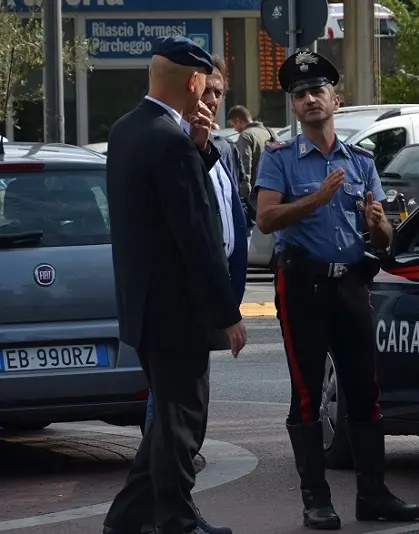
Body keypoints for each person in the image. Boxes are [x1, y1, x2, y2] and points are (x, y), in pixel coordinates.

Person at [253, 50, 419, 530]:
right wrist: (313, 200)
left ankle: (373, 492)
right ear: (294, 107)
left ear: (335, 98)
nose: (310, 100)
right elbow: (266, 218)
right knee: (308, 393)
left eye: (317, 91)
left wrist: (379, 226)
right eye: (300, 95)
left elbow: (383, 238)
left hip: (350, 282)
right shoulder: (280, 158)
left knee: (365, 389)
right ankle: (316, 498)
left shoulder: (361, 161)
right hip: (303, 283)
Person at [101, 35, 247, 534]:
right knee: (185, 418)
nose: (209, 94)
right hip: (178, 310)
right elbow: (197, 233)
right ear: (192, 81)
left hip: (144, 307)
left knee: (168, 420)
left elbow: (160, 206)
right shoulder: (170, 139)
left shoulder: (126, 130)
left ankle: (127, 519)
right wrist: (227, 313)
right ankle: (178, 521)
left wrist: (200, 149)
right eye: (205, 84)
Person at [228, 105, 276, 207]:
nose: (235, 130)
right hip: (274, 189)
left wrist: (244, 195)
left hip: (256, 194)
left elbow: (245, 167)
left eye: (233, 125)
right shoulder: (269, 132)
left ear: (238, 121)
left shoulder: (245, 136)